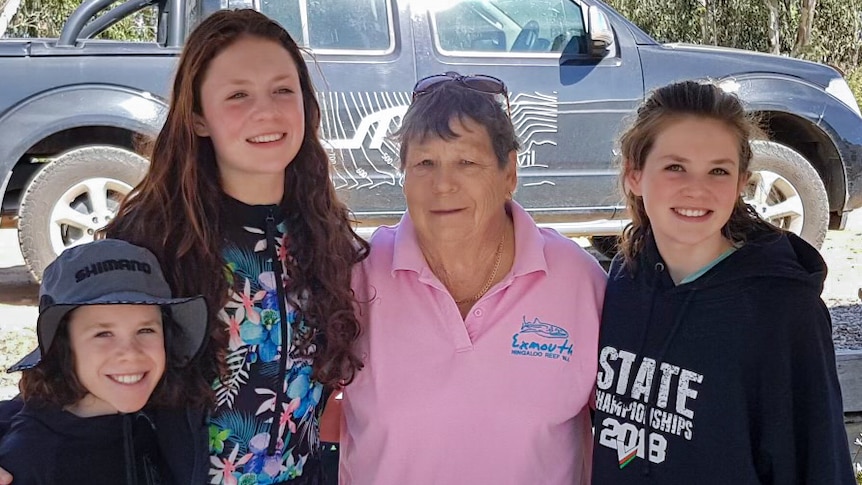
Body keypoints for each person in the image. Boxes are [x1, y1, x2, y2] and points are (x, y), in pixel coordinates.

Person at [0, 9, 367, 485]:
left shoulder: (325, 232)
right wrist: (19, 450)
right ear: (197, 117)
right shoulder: (155, 235)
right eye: (237, 95)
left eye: (283, 90)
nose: (267, 111)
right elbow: (74, 361)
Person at [338, 72, 607, 484]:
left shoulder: (577, 280)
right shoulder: (356, 277)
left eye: (466, 162)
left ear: (509, 174)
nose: (443, 184)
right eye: (424, 163)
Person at [591, 80, 855, 484]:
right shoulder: (625, 280)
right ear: (634, 175)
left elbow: (819, 462)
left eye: (718, 170)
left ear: (740, 183)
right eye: (675, 166)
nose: (696, 188)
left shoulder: (782, 309)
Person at [0, 239, 209, 484]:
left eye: (145, 330)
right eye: (103, 334)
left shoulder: (161, 416)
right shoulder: (30, 459)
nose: (130, 353)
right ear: (63, 346)